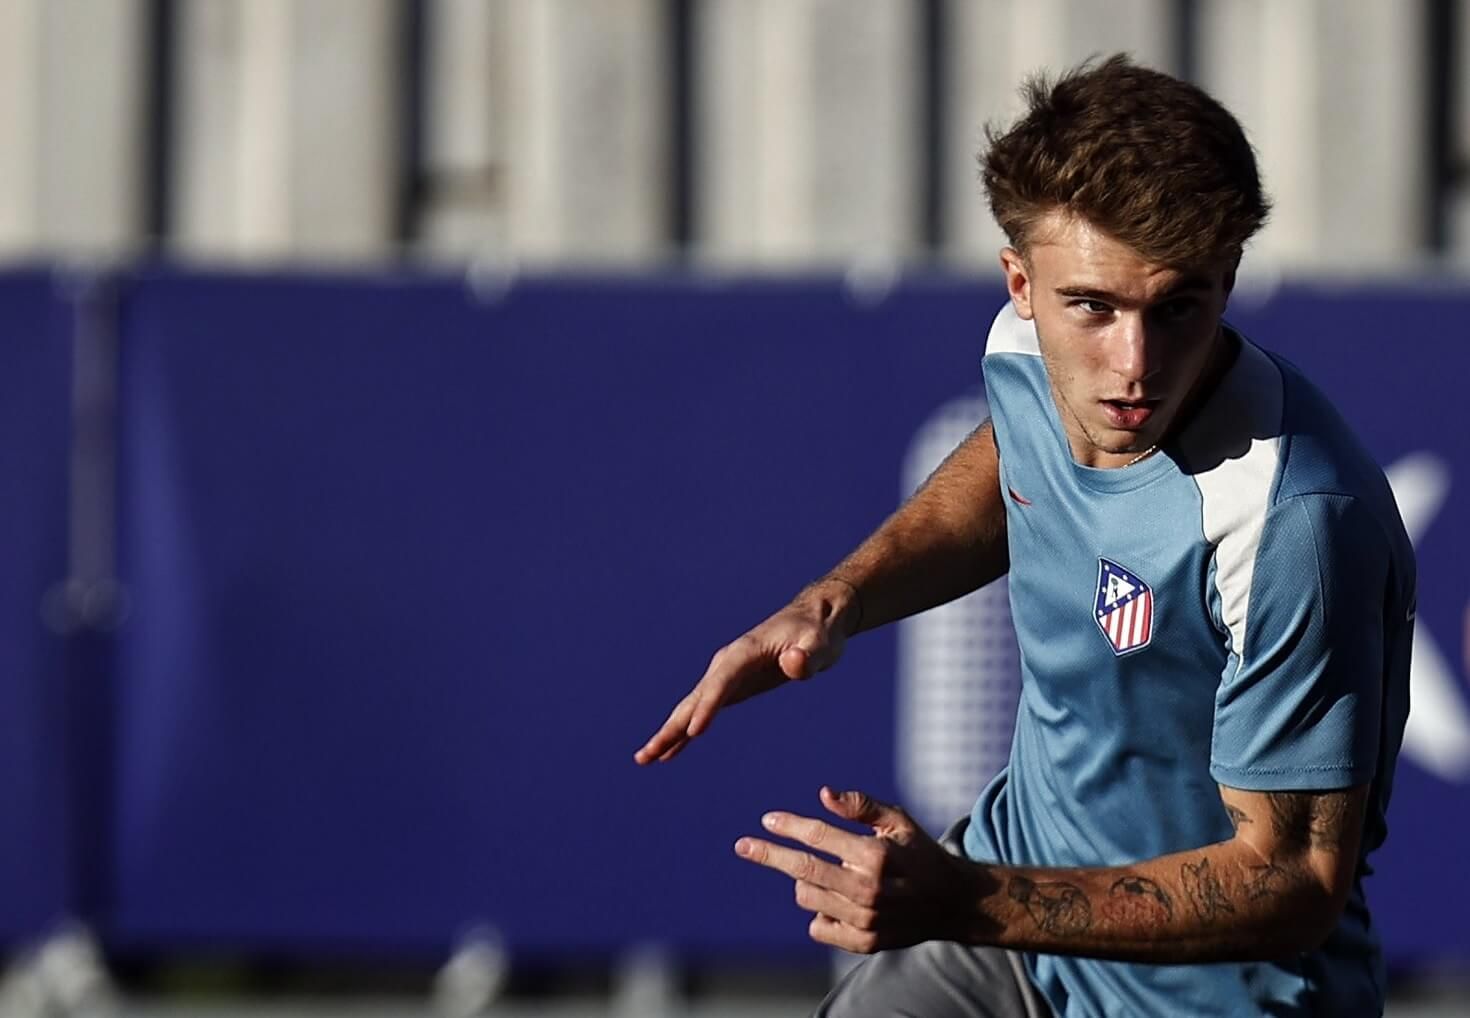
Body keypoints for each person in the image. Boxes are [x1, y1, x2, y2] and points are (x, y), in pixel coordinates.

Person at [635, 54, 1414, 1018]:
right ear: (1021, 285)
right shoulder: (1026, 355)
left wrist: (969, 902)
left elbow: (1292, 882)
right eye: (1093, 306)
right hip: (1008, 932)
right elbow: (1018, 458)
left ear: (1229, 278)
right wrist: (839, 598)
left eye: (1178, 307)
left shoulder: (1295, 521)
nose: (1134, 365)